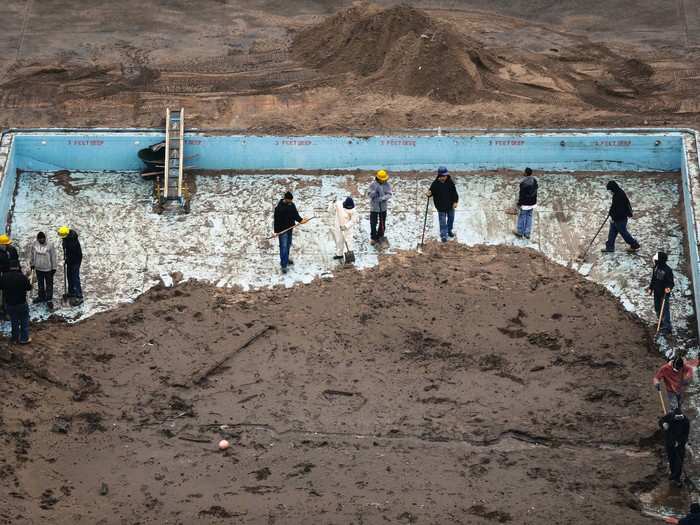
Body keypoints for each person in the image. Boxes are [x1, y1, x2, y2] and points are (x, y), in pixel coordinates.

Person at [273, 192, 308, 274]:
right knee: (283, 247)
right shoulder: (279, 208)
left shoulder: (291, 205)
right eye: (289, 200)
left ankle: (286, 259)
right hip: (282, 231)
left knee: (288, 244)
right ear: (285, 199)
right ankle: (283, 265)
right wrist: (276, 232)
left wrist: (301, 220)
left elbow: (295, 214)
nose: (290, 202)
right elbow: (276, 221)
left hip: (290, 229)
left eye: (291, 200)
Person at [601, 180, 640, 253]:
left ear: (613, 188)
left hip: (620, 219)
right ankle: (609, 247)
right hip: (615, 218)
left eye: (610, 190)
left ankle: (634, 245)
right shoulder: (617, 193)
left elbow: (620, 210)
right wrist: (611, 213)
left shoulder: (619, 196)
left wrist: (614, 218)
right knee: (612, 233)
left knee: (624, 233)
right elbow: (614, 206)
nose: (610, 192)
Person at [0, 261, 32, 344]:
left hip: (9, 304)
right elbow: (29, 288)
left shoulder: (4, 277)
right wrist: (28, 280)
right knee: (24, 320)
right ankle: (24, 338)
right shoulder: (22, 277)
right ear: (18, 267)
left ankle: (14, 338)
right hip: (21, 303)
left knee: (14, 320)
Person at [659, 407, 690, 488]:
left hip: (680, 444)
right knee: (672, 459)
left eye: (680, 417)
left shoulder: (686, 421)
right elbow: (661, 421)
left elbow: (686, 434)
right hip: (669, 442)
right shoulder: (669, 416)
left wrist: (679, 442)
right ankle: (673, 474)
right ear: (674, 415)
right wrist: (663, 424)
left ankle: (677, 478)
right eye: (677, 417)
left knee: (679, 460)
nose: (679, 419)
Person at [427, 166, 459, 242]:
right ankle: (443, 235)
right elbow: (431, 192)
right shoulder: (435, 184)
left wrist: (455, 201)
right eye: (443, 176)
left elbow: (454, 193)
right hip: (440, 207)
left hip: (450, 206)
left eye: (446, 176)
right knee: (442, 222)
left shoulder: (450, 182)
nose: (445, 177)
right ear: (439, 176)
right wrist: (428, 194)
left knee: (451, 219)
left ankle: (449, 230)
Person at [30, 232, 57, 309]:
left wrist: (54, 268)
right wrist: (32, 263)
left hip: (48, 269)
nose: (41, 240)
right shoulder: (34, 244)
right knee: (40, 283)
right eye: (40, 238)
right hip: (38, 268)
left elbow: (53, 256)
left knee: (49, 284)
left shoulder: (50, 245)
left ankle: (49, 299)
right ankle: (41, 296)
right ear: (38, 239)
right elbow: (32, 254)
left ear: (45, 238)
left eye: (43, 238)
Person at [649, 251, 674, 335]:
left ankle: (667, 327)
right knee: (657, 307)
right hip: (656, 291)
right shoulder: (655, 267)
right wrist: (651, 288)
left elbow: (671, 283)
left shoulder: (668, 270)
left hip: (664, 293)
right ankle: (661, 321)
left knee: (665, 309)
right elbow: (653, 279)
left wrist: (668, 288)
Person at [58, 226, 83, 306]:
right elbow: (66, 250)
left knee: (75, 277)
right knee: (69, 276)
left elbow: (72, 255)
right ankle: (71, 292)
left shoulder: (72, 241)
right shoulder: (67, 238)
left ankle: (79, 296)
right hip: (70, 260)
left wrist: (67, 260)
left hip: (75, 260)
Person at [368, 169, 392, 246]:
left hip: (383, 207)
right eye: (382, 180)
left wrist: (383, 198)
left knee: (382, 222)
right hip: (374, 208)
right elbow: (369, 195)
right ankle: (373, 237)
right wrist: (375, 192)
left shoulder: (387, 185)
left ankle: (380, 235)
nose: (384, 181)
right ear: (378, 178)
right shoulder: (373, 185)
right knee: (373, 223)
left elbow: (389, 194)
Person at [328, 196, 357, 260]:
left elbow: (353, 220)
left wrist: (346, 226)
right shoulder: (338, 204)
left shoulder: (353, 210)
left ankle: (349, 255)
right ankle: (339, 254)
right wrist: (332, 203)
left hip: (348, 228)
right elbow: (330, 210)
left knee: (349, 241)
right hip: (338, 225)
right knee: (339, 241)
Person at [514, 167, 538, 239]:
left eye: (524, 172)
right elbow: (535, 192)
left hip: (525, 203)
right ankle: (527, 234)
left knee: (522, 217)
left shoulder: (523, 182)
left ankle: (520, 233)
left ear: (526, 173)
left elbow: (522, 194)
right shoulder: (534, 180)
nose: (523, 173)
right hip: (532, 203)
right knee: (529, 217)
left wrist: (519, 203)